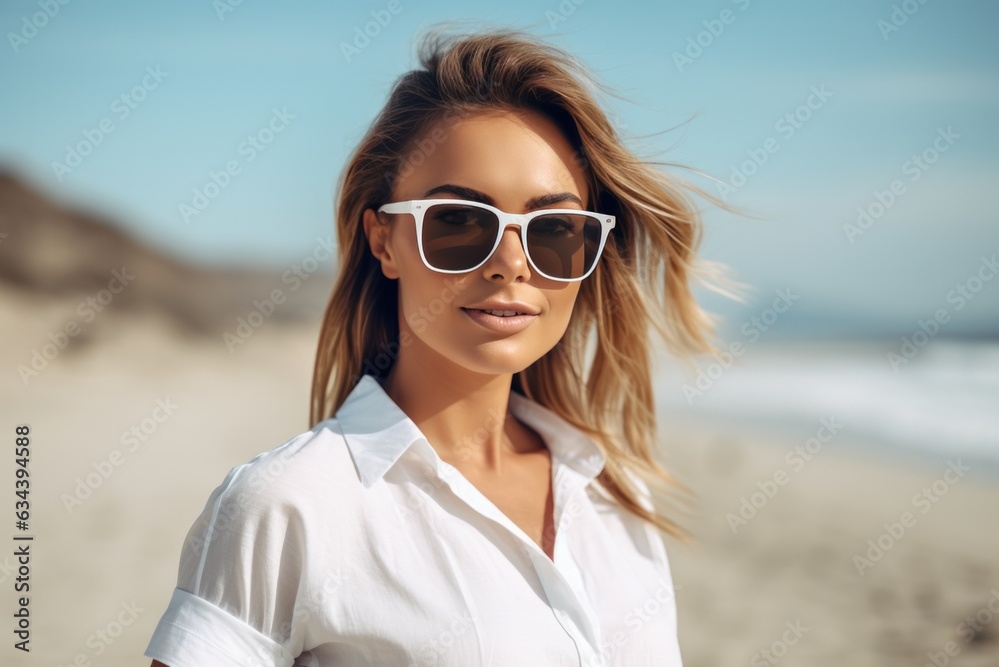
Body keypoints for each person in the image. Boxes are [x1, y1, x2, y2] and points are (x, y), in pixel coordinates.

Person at [145, 24, 736, 667]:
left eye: (554, 229)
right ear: (384, 240)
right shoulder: (288, 506)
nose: (512, 263)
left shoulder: (613, 494)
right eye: (458, 221)